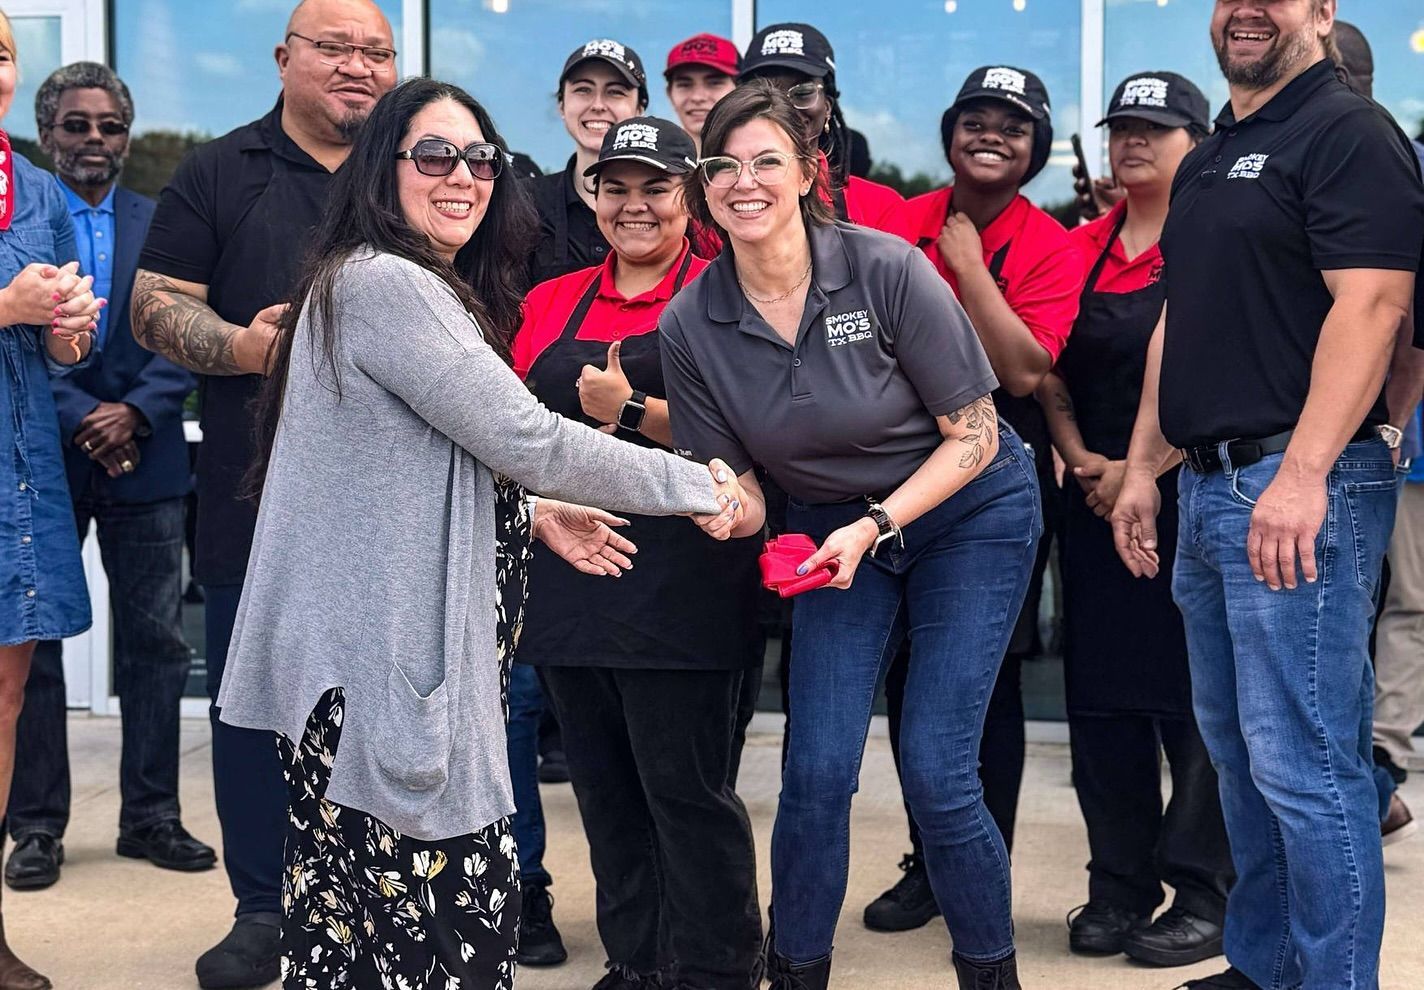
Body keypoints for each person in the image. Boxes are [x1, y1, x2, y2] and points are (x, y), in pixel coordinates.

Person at [219, 76, 744, 990]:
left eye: (479, 159)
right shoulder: (390, 285)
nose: (461, 176)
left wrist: (531, 514)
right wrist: (699, 484)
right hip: (377, 690)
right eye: (434, 155)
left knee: (351, 956)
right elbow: (527, 435)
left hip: (344, 685)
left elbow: (399, 466)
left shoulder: (366, 282)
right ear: (383, 170)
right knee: (440, 945)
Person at [661, 80, 1041, 990]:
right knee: (819, 773)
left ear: (806, 173)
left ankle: (991, 977)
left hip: (968, 512)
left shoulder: (884, 268)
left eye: (766, 162)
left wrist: (877, 524)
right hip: (834, 535)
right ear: (702, 183)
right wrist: (726, 509)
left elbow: (978, 433)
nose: (743, 182)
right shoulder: (691, 322)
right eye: (723, 166)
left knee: (937, 770)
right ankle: (796, 973)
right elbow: (745, 492)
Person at [1110, 1, 1424, 987]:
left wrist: (1308, 471)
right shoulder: (1210, 155)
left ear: (1321, 10)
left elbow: (1375, 307)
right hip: (1207, 491)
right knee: (1241, 763)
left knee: (1308, 769)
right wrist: (1138, 468)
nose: (1245, 8)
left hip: (1294, 486)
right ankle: (1265, 966)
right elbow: (1183, 323)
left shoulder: (1348, 132)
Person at [129, 2, 399, 985]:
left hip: (397, 509)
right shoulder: (216, 172)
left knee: (387, 714)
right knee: (254, 715)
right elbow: (153, 304)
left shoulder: (416, 168)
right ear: (285, 57)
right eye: (335, 47)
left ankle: (375, 900)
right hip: (255, 499)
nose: (357, 66)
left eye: (376, 51)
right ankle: (264, 909)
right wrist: (241, 346)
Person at [513, 116, 762, 990]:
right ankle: (635, 963)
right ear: (591, 195)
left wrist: (625, 411)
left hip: (688, 586)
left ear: (691, 196)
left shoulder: (725, 293)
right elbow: (512, 429)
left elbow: (751, 435)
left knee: (687, 797)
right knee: (607, 798)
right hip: (572, 588)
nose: (634, 205)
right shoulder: (552, 300)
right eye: (614, 186)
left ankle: (717, 970)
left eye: (655, 187)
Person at [867, 64, 1082, 933]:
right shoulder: (898, 220)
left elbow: (1027, 368)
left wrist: (966, 267)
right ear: (950, 131)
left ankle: (971, 861)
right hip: (887, 474)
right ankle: (929, 859)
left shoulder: (1052, 242)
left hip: (994, 493)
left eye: (1014, 124)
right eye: (976, 119)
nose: (992, 133)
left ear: (1036, 150)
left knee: (982, 686)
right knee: (904, 674)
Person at [1036, 71, 1233, 969]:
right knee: (1103, 702)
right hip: (1090, 500)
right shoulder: (1078, 246)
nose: (1133, 143)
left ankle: (1202, 889)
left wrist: (1143, 468)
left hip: (1190, 496)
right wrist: (1084, 458)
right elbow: (1047, 373)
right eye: (1123, 128)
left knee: (1193, 703)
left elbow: (1235, 373)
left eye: (1156, 129)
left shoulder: (1218, 243)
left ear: (1197, 141)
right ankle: (1117, 883)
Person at [5, 62, 207, 896]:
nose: (96, 140)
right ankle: (38, 827)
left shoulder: (159, 220)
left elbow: (183, 324)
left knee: (157, 645)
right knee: (34, 649)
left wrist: (137, 413)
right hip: (41, 464)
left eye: (110, 126)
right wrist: (80, 415)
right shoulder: (28, 213)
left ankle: (150, 815)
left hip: (148, 459)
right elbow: (32, 335)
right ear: (48, 131)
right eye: (78, 125)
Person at [0, 12, 107, 989]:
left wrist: (71, 323)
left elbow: (64, 346)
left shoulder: (36, 190)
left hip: (17, 472)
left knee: (4, 701)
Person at [738, 23, 908, 239]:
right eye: (765, 92)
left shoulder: (880, 207)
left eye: (803, 92)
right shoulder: (722, 200)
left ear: (827, 107)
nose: (783, 107)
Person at [529, 38, 648, 284]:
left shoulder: (671, 207)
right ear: (562, 104)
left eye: (615, 92)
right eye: (583, 90)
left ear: (640, 109)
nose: (597, 105)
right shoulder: (525, 203)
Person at [664, 33, 738, 153]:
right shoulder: (652, 167)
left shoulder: (764, 162)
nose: (697, 97)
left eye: (714, 83)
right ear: (669, 94)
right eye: (685, 85)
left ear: (740, 89)